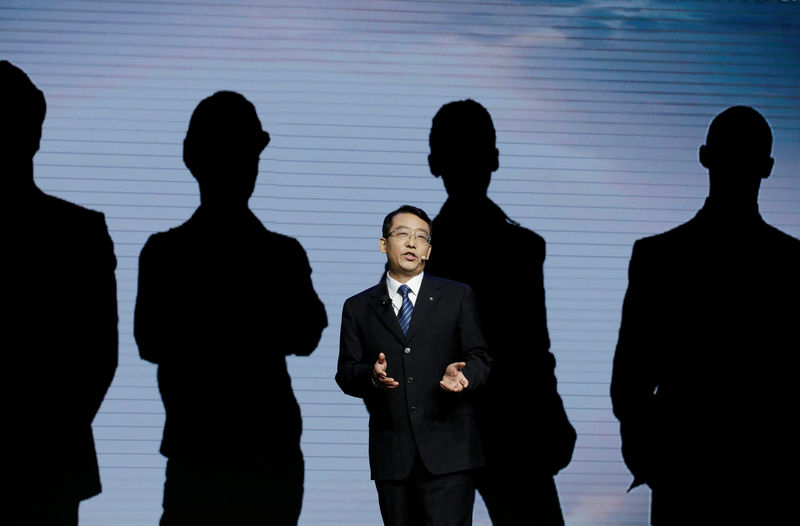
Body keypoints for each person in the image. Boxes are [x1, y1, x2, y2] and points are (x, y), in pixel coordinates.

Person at [134, 91, 327, 526]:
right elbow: (305, 330)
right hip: (243, 457)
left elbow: (307, 331)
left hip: (215, 456)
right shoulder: (278, 255)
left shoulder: (167, 254)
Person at [610, 106, 800, 525]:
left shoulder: (658, 258)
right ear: (767, 168)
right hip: (767, 477)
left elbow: (629, 383)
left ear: (704, 157)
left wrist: (653, 458)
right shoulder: (791, 266)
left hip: (686, 478)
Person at [424, 99, 575, 525]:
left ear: (435, 164)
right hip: (515, 436)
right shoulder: (521, 250)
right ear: (494, 159)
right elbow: (532, 352)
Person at [0, 60, 118, 525]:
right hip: (53, 465)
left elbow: (97, 357)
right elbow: (97, 357)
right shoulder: (79, 233)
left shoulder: (80, 233)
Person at [336, 205, 491, 526]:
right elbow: (346, 372)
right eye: (402, 234)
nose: (411, 243)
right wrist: (371, 376)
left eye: (421, 238)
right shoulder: (357, 307)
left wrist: (463, 376)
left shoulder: (457, 296)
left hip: (450, 453)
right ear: (383, 244)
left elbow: (480, 357)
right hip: (393, 455)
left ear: (428, 251)